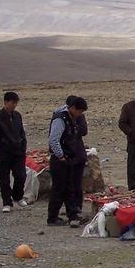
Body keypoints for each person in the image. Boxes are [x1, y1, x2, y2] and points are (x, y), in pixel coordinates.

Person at [48, 96, 88, 227]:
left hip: (69, 157)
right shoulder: (60, 118)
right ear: (73, 108)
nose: (80, 115)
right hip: (60, 159)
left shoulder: (70, 118)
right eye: (80, 111)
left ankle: (73, 215)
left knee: (69, 187)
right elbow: (54, 139)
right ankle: (52, 218)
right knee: (59, 189)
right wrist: (60, 156)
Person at [0, 91, 28, 212]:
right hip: (4, 153)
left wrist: (23, 146)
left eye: (16, 103)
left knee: (21, 175)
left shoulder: (17, 116)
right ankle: (7, 202)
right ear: (6, 102)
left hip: (18, 152)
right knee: (4, 178)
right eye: (13, 103)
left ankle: (18, 196)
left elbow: (22, 132)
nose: (15, 105)